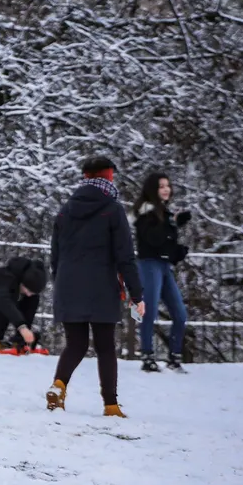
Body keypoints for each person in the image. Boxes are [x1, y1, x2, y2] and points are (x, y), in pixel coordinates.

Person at [47, 155, 145, 417]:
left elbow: (55, 254)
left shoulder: (65, 209)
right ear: (109, 177)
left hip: (68, 284)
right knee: (105, 346)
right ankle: (111, 404)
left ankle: (58, 387)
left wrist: (61, 282)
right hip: (102, 285)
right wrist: (137, 294)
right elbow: (125, 256)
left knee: (75, 345)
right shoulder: (113, 210)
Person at [132, 171, 190, 372]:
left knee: (180, 314)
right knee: (149, 311)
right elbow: (154, 240)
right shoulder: (144, 213)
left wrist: (178, 252)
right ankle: (147, 356)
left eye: (168, 185)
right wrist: (172, 223)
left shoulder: (164, 212)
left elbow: (167, 245)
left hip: (164, 266)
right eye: (161, 186)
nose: (166, 189)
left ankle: (174, 357)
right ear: (152, 190)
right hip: (149, 265)